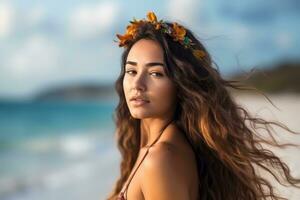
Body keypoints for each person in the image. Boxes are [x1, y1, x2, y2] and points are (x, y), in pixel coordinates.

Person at [107, 11, 300, 200]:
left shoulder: (159, 159)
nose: (137, 85)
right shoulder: (155, 148)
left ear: (181, 83)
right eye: (131, 71)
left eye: (156, 73)